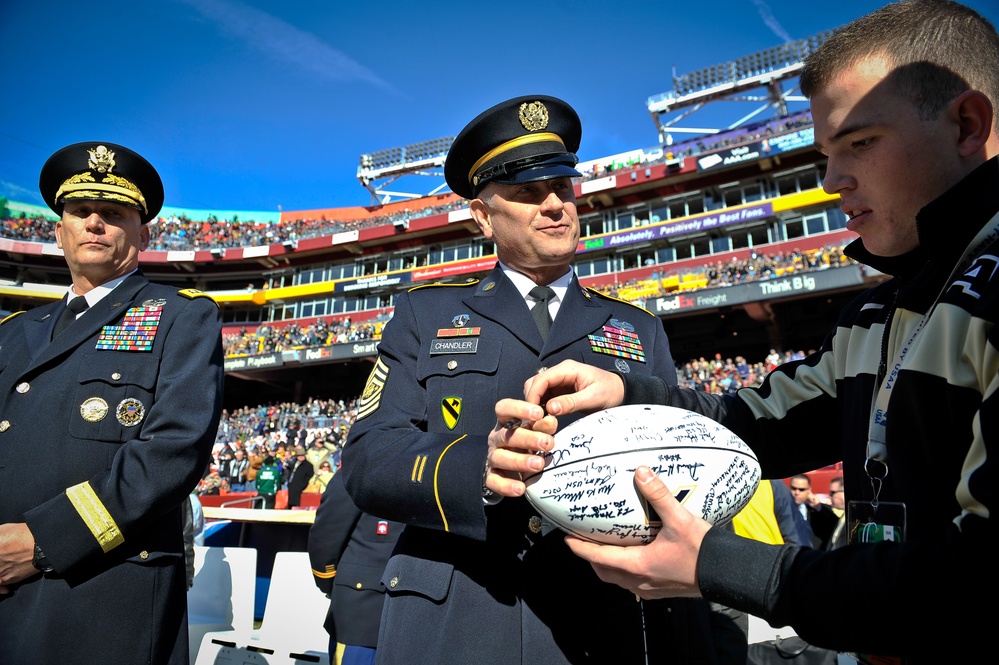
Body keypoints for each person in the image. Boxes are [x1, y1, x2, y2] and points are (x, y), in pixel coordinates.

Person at [488, 2, 999, 660]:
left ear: (965, 124)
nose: (830, 181)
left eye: (859, 143)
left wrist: (724, 567)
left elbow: (980, 578)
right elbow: (753, 421)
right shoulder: (872, 315)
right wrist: (627, 395)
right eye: (824, 153)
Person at [341, 95, 743, 664]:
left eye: (563, 187)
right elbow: (368, 460)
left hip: (602, 618)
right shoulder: (424, 315)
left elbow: (682, 466)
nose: (555, 205)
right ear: (482, 217)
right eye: (528, 193)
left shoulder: (638, 326)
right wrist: (476, 466)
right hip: (458, 614)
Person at [0, 141, 225, 664]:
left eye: (114, 214)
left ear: (143, 233)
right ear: (59, 232)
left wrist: (39, 542)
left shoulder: (180, 317)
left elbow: (173, 452)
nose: (95, 223)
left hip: (100, 592)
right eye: (80, 212)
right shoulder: (12, 333)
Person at [309, 472, 403, 665]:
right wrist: (328, 583)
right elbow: (327, 536)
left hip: (404, 618)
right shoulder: (359, 471)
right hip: (361, 617)